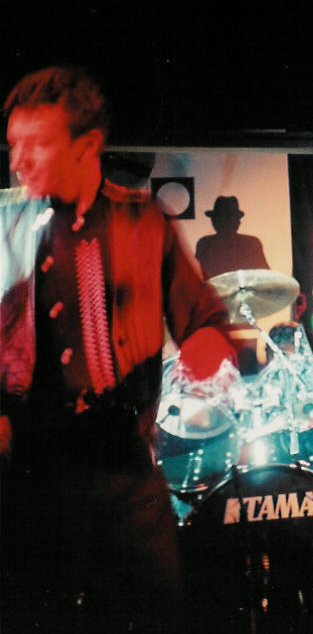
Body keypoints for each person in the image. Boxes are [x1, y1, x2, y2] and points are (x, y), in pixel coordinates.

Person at [0, 66, 236, 633]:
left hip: (126, 467)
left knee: (156, 611)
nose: (18, 161)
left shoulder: (144, 221)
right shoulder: (4, 228)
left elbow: (202, 316)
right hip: (30, 472)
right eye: (13, 144)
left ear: (87, 146)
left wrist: (207, 342)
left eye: (36, 144)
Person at [195, 195, 269, 279]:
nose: (213, 222)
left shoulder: (205, 243)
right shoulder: (205, 243)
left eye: (225, 218)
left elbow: (264, 275)